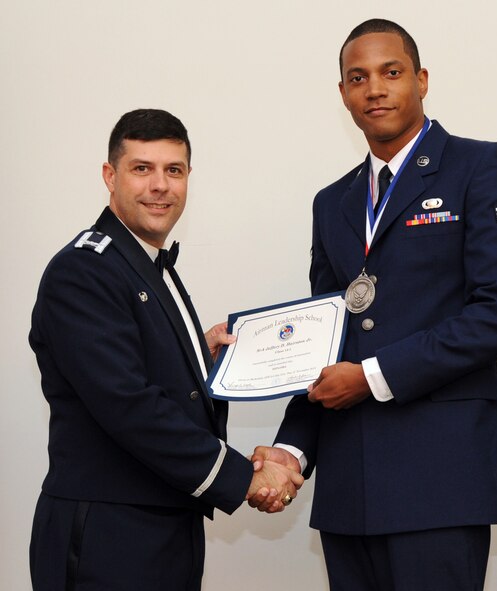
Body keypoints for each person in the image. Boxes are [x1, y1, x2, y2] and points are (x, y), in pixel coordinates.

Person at [249, 19, 497, 590]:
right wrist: (290, 450)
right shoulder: (333, 202)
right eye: (358, 78)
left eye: (391, 72)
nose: (375, 89)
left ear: (422, 80)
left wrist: (373, 377)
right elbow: (326, 337)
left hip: (441, 482)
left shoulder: (481, 167)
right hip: (350, 489)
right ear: (343, 95)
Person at [29, 109, 304, 590]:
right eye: (142, 168)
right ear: (109, 177)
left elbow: (132, 363)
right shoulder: (83, 271)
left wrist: (199, 358)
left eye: (173, 170)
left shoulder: (147, 264)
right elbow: (128, 404)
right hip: (108, 534)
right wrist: (245, 478)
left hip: (161, 524)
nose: (160, 185)